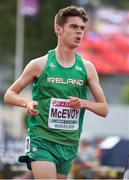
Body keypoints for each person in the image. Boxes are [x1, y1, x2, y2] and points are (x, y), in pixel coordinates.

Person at [4, 5, 108, 179]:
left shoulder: (87, 68)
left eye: (82, 28)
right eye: (74, 27)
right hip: (42, 139)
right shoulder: (39, 64)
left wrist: (83, 103)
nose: (79, 32)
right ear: (59, 29)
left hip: (69, 144)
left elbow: (103, 109)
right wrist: (26, 103)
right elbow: (10, 94)